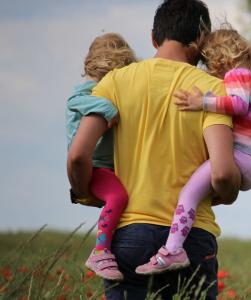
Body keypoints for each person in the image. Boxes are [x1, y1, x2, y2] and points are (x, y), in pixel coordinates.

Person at [67, 0, 241, 298]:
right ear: (201, 41)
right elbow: (223, 172)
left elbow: (78, 154)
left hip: (128, 235)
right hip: (192, 237)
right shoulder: (212, 90)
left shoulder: (114, 82)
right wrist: (229, 193)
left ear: (153, 38)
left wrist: (86, 192)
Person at [136, 25, 251, 275]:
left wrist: (200, 103)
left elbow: (237, 104)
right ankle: (181, 237)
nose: (210, 71)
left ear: (221, 58)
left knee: (188, 194)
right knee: (201, 193)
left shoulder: (237, 76)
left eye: (209, 64)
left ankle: (172, 250)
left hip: (238, 158)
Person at [66, 33, 135, 281]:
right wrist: (108, 109)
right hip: (94, 166)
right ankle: (100, 250)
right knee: (118, 196)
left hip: (108, 166)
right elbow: (76, 101)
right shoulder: (87, 92)